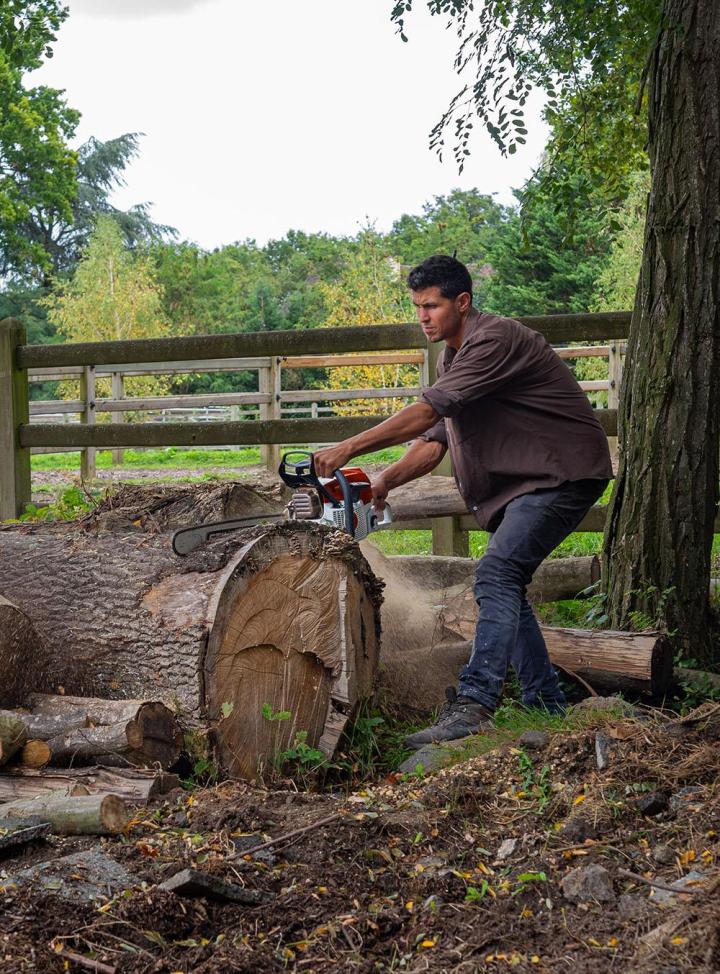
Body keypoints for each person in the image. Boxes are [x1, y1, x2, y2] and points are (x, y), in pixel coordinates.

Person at [313, 254, 612, 749]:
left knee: (496, 573)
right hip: (526, 484)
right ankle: (547, 704)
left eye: (431, 306)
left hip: (561, 474)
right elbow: (435, 440)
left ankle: (475, 704)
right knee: (506, 583)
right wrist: (384, 481)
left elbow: (427, 410)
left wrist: (348, 447)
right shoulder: (454, 357)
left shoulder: (493, 340)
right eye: (417, 307)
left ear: (463, 302)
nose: (423, 317)